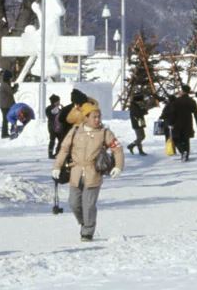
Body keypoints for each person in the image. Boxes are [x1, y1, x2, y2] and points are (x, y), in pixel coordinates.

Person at [51, 102, 124, 241]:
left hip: (93, 173)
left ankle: (87, 231)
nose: (98, 120)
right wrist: (56, 166)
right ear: (86, 118)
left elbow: (117, 150)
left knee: (88, 205)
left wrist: (118, 166)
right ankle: (85, 222)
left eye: (99, 117)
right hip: (76, 172)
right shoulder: (75, 131)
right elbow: (64, 149)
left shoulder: (104, 133)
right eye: (94, 117)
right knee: (73, 203)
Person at [161, 86, 197, 161]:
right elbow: (196, 113)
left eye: (180, 91)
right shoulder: (192, 101)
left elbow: (172, 113)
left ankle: (183, 151)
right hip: (188, 123)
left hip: (177, 123)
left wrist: (170, 123)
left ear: (182, 91)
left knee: (176, 139)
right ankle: (186, 156)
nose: (179, 92)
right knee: (186, 140)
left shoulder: (176, 101)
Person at [127, 84, 153, 155]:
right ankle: (131, 145)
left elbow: (140, 112)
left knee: (140, 137)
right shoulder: (133, 106)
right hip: (137, 123)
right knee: (141, 137)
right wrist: (144, 111)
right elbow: (138, 113)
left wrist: (144, 110)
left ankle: (140, 150)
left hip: (139, 122)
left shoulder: (135, 105)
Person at [0, 71, 16, 139]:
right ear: (8, 78)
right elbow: (11, 92)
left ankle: (9, 131)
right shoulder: (5, 85)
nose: (11, 79)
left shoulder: (6, 84)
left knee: (8, 119)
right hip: (5, 106)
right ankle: (5, 133)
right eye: (10, 78)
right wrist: (15, 87)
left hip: (6, 105)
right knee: (6, 119)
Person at [46, 94, 65, 159]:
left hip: (58, 128)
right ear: (54, 102)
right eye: (58, 101)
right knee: (52, 140)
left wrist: (63, 110)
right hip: (52, 127)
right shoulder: (49, 108)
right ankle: (50, 154)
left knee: (61, 140)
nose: (59, 102)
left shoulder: (58, 109)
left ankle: (57, 153)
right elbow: (50, 116)